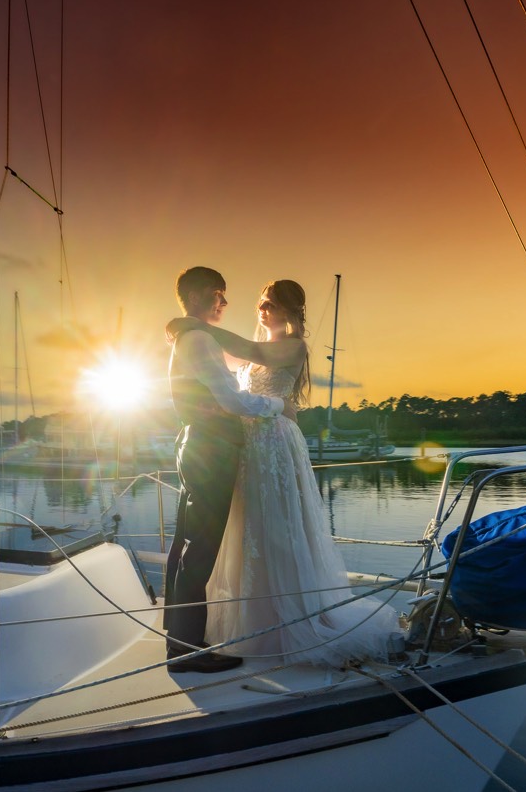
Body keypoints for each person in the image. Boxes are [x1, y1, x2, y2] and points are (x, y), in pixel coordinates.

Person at [168, 280, 398, 668]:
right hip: (246, 442)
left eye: (271, 304)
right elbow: (224, 377)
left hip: (273, 441)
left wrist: (193, 325)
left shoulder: (293, 346)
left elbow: (252, 350)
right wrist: (192, 334)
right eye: (261, 302)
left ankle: (284, 620)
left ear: (292, 309)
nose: (263, 309)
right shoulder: (249, 354)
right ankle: (238, 623)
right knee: (246, 527)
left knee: (276, 525)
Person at [164, 267, 296, 674]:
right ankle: (186, 651)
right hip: (211, 449)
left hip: (198, 445)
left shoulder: (192, 336)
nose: (225, 303)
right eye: (221, 295)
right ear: (206, 293)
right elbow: (230, 399)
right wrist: (278, 408)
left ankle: (180, 639)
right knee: (200, 549)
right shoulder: (199, 338)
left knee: (186, 546)